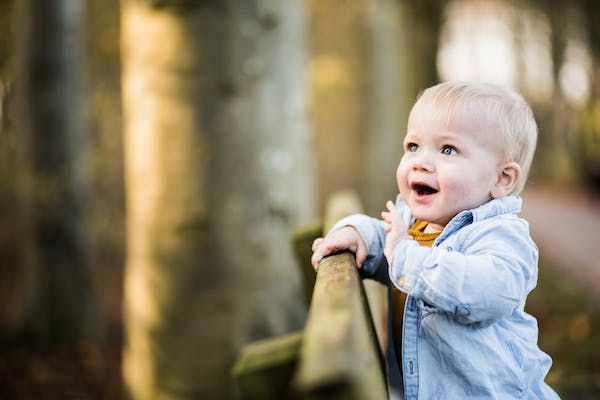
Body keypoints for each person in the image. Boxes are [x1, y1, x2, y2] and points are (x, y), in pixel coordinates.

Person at [311, 81, 560, 399]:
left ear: (501, 179)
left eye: (448, 150)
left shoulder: (502, 236)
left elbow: (484, 290)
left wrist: (403, 255)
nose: (420, 161)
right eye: (413, 146)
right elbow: (387, 240)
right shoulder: (417, 224)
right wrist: (356, 233)